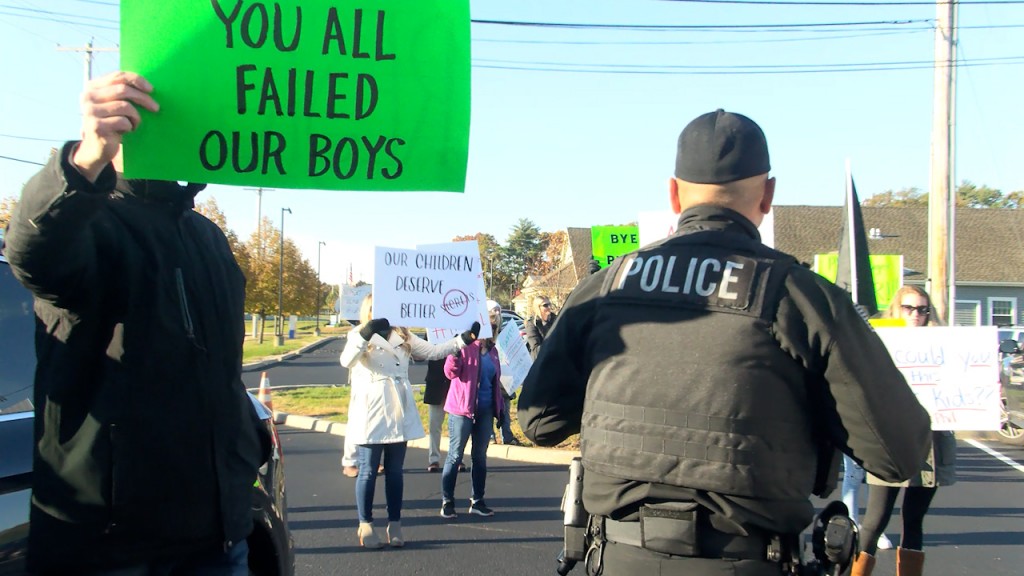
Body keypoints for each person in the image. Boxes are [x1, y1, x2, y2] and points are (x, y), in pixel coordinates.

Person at [517, 109, 933, 575]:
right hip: (749, 560)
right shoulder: (805, 298)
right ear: (768, 194)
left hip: (616, 557)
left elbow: (539, 421)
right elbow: (898, 454)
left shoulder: (605, 286)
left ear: (674, 193)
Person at [3, 71, 270, 574]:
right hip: (113, 549)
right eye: (138, 115)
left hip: (219, 536)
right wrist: (84, 162)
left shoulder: (208, 239)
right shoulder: (91, 222)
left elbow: (219, 376)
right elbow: (32, 251)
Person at [340, 294, 477, 548]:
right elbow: (345, 361)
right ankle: (366, 524)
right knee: (368, 470)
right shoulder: (359, 334)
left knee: (395, 472)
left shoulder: (402, 335)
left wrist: (463, 340)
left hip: (398, 407)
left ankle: (395, 523)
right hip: (371, 408)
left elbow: (434, 351)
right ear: (367, 311)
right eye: (374, 309)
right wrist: (366, 334)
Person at [852, 285, 955, 576]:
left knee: (914, 519)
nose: (916, 315)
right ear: (896, 309)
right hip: (890, 441)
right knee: (876, 518)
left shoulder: (944, 343)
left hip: (930, 441)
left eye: (922, 309)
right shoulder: (881, 341)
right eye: (909, 308)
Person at [440, 306, 506, 519]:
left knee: (480, 457)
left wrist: (501, 409)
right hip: (462, 410)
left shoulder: (494, 352)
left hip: (485, 410)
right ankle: (447, 501)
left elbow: (495, 382)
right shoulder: (466, 347)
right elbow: (450, 373)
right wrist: (455, 354)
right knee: (455, 455)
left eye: (495, 322)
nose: (492, 325)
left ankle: (477, 500)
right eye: (489, 321)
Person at [423, 357, 466, 472]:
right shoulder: (433, 338)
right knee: (434, 425)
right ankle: (434, 460)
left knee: (458, 426)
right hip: (436, 384)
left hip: (456, 384)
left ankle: (457, 458)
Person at [524, 295, 556, 361]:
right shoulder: (532, 324)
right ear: (538, 307)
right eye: (545, 305)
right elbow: (535, 350)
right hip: (542, 363)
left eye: (549, 304)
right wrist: (553, 343)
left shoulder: (556, 319)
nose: (549, 307)